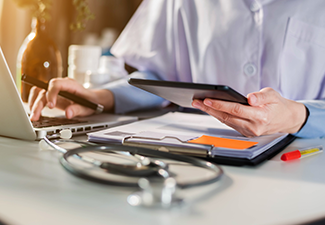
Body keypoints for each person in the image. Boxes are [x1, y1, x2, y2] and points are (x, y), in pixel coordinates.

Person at [29, 0, 325, 138]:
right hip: (197, 153)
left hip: (303, 160)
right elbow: (158, 75)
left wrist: (297, 116)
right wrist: (100, 97)